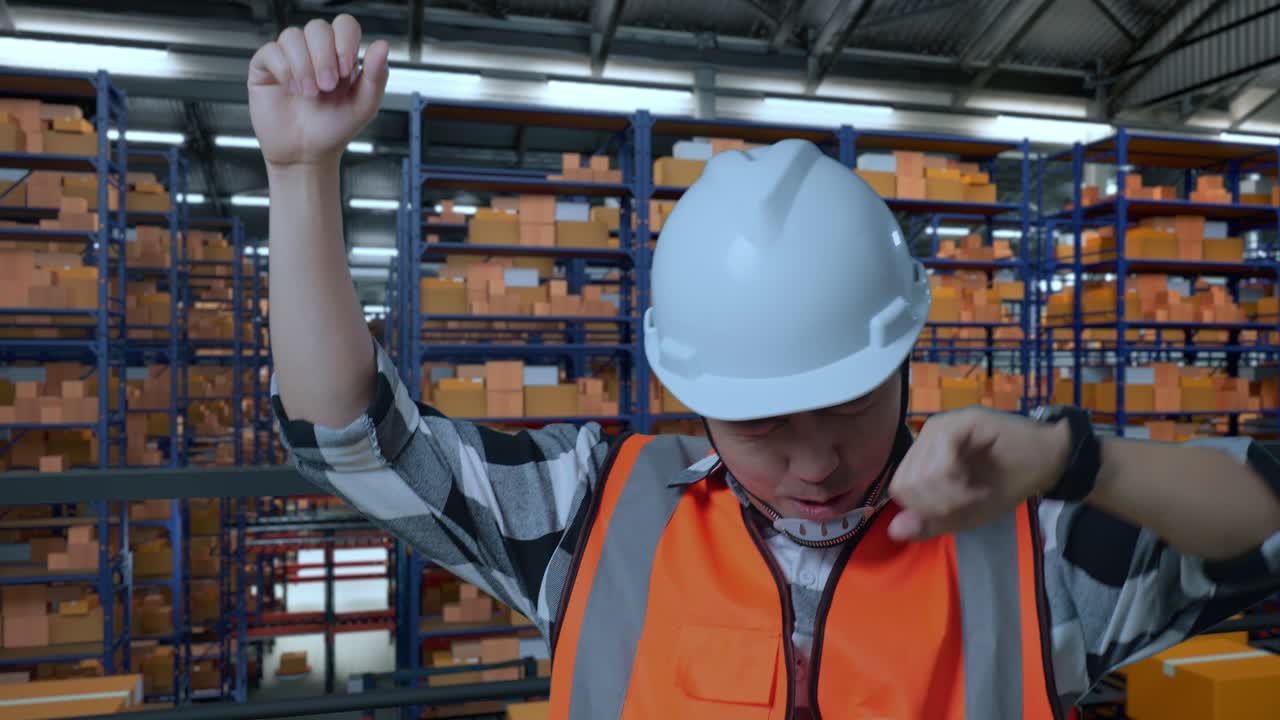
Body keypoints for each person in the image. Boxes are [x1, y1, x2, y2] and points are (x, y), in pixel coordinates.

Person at [250, 15, 1280, 719]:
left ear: (904, 364)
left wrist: (1077, 463)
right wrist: (301, 175)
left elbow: (1262, 524)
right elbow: (355, 435)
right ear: (691, 402)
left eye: (845, 407)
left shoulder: (1025, 546)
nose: (813, 464)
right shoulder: (592, 516)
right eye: (758, 426)